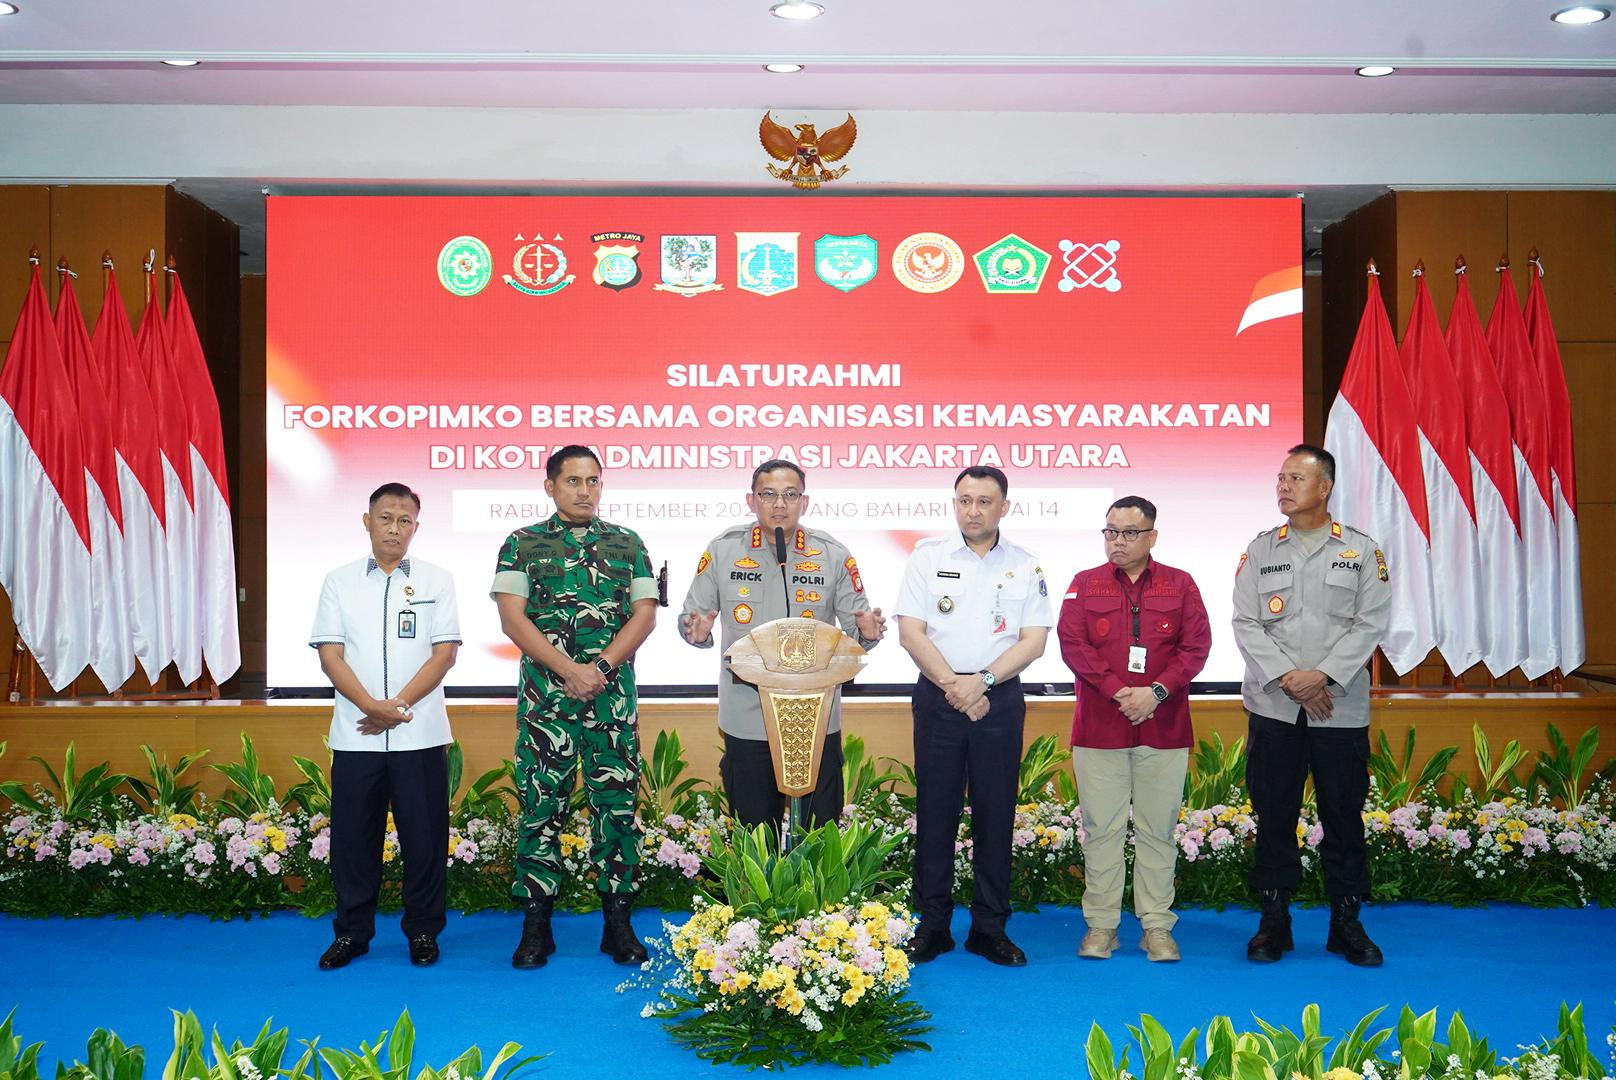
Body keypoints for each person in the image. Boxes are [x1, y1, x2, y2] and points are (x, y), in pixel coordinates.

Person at [491, 445, 658, 970]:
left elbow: (644, 615)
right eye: (573, 481)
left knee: (616, 807)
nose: (585, 491)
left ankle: (618, 925)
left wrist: (601, 669)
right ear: (550, 487)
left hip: (611, 700)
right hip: (548, 701)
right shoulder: (521, 543)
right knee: (541, 808)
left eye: (593, 481)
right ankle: (537, 925)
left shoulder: (628, 543)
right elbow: (513, 620)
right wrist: (570, 669)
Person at [1231, 443, 1390, 967]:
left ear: (1325, 488)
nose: (1283, 487)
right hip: (1275, 707)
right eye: (1280, 478)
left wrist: (1321, 676)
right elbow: (1246, 623)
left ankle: (1346, 924)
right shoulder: (1260, 550)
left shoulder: (1362, 551)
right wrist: (1289, 678)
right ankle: (1274, 921)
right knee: (1274, 814)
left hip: (1338, 709)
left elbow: (1370, 623)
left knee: (1343, 817)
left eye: (1296, 478)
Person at [896, 465, 1050, 967]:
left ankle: (989, 928)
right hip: (939, 694)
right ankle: (933, 925)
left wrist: (981, 683)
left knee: (995, 813)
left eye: (985, 501)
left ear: (1005, 506)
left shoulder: (1026, 564)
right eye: (964, 500)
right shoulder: (927, 556)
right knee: (935, 813)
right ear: (954, 503)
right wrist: (955, 687)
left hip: (998, 698)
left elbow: (1033, 641)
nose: (973, 510)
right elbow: (912, 633)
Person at [679, 459, 886, 828]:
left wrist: (867, 634)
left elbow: (855, 633)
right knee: (756, 835)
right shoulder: (724, 549)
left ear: (804, 502)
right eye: (769, 494)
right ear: (751, 499)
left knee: (820, 835)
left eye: (790, 495)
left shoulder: (832, 554)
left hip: (815, 716)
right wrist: (696, 631)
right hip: (748, 715)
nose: (779, 504)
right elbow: (693, 617)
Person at [309, 482, 461, 970]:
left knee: (425, 839)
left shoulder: (438, 580)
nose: (394, 528)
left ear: (416, 526)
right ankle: (352, 934)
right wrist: (370, 707)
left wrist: (394, 707)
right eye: (385, 518)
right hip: (356, 733)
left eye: (404, 520)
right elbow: (330, 655)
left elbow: (444, 655)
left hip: (419, 733)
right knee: (354, 841)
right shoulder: (339, 580)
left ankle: (422, 932)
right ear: (367, 521)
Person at [1057, 496, 1211, 963]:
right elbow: (1072, 643)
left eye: (1128, 533)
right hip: (1101, 726)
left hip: (1163, 727)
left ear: (1152, 536)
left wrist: (1156, 693)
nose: (1117, 541)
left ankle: (1157, 927)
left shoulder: (1181, 584)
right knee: (1101, 829)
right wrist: (1118, 691)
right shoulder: (1084, 584)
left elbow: (1197, 646)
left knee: (1158, 830)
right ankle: (1102, 925)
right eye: (1110, 532)